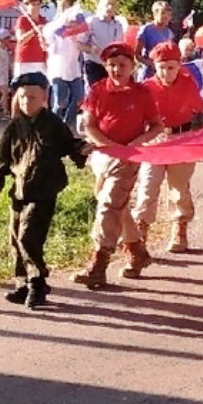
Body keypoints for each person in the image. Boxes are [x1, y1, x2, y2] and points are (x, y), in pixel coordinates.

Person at [0, 72, 90, 308]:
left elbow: (69, 143)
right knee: (15, 238)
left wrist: (81, 149)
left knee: (29, 237)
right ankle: (22, 284)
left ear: (44, 97)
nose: (26, 102)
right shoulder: (15, 126)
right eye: (22, 97)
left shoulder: (52, 123)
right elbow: (2, 159)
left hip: (44, 190)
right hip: (20, 189)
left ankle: (37, 283)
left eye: (32, 97)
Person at [70, 42, 164, 288]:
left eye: (122, 65)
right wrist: (109, 146)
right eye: (111, 65)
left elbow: (156, 126)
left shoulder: (142, 93)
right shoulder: (98, 90)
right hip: (102, 155)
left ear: (133, 67)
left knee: (108, 205)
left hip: (128, 158)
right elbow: (89, 125)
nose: (116, 69)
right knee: (117, 207)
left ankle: (98, 264)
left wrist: (134, 145)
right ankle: (137, 252)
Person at [133, 42, 203, 253]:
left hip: (181, 140)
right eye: (162, 67)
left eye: (171, 67)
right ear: (155, 66)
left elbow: (202, 106)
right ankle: (140, 233)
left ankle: (179, 227)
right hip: (154, 143)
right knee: (148, 186)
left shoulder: (186, 83)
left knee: (179, 188)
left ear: (179, 65)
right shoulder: (146, 88)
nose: (166, 72)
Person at [45, 0, 85, 130]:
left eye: (66, 7)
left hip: (74, 68)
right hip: (58, 69)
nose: (63, 9)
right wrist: (62, 26)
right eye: (61, 6)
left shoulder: (77, 27)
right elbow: (48, 39)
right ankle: (52, 127)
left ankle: (66, 125)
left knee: (79, 98)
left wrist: (75, 33)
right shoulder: (53, 26)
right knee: (60, 101)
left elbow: (82, 40)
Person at [78, 0, 124, 88]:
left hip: (112, 66)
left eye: (113, 5)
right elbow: (78, 44)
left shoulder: (118, 25)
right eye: (107, 4)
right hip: (95, 65)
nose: (110, 7)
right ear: (100, 6)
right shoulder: (90, 22)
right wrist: (90, 49)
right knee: (95, 96)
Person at [134, 0, 175, 80]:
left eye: (168, 14)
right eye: (163, 13)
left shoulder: (169, 32)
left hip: (162, 72)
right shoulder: (146, 30)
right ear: (155, 14)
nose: (166, 16)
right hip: (148, 71)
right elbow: (137, 55)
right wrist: (150, 64)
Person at [13, 0, 48, 77]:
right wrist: (33, 31)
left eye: (38, 4)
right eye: (33, 4)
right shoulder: (22, 20)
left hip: (40, 60)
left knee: (40, 87)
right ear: (27, 6)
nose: (36, 7)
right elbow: (20, 39)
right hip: (25, 59)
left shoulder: (44, 21)